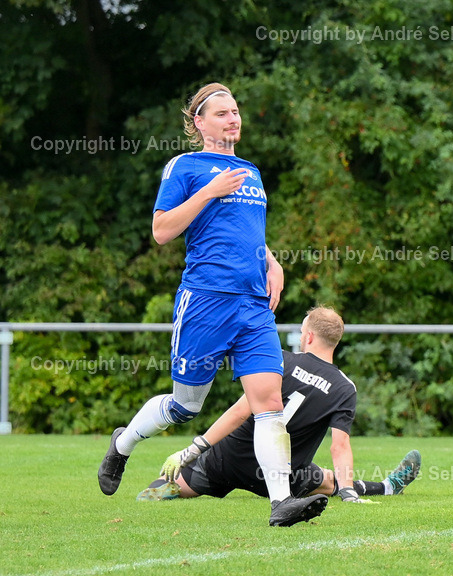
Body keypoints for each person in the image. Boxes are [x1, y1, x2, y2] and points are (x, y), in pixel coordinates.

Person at [97, 82, 328, 527]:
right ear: (199, 123)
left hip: (253, 306)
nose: (233, 118)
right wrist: (208, 191)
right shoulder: (185, 166)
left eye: (236, 111)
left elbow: (247, 235)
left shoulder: (252, 172)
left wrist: (272, 262)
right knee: (185, 406)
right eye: (222, 113)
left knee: (268, 402)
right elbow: (162, 231)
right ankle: (123, 444)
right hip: (205, 301)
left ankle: (281, 503)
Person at [135, 306, 421, 504]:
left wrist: (193, 449)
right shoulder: (345, 387)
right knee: (328, 481)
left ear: (307, 336)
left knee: (160, 488)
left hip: (229, 459)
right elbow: (340, 446)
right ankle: (385, 487)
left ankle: (157, 484)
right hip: (280, 476)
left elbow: (240, 410)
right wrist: (347, 492)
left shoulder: (279, 360)